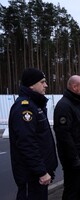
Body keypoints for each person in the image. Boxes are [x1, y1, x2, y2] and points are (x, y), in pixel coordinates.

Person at [8, 68, 58, 200]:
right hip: (31, 175)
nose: (46, 85)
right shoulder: (24, 108)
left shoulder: (35, 105)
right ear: (31, 85)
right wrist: (41, 172)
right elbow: (27, 144)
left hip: (38, 174)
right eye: (42, 82)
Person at [53, 75, 80, 200]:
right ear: (74, 87)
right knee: (72, 190)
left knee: (79, 188)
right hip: (73, 157)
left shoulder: (77, 103)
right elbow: (64, 136)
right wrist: (74, 158)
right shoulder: (64, 106)